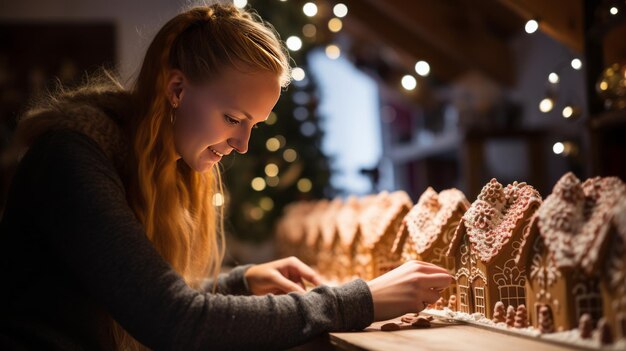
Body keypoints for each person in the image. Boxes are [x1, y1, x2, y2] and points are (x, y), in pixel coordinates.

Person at [0, 3, 452, 350]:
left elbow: (124, 295)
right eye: (234, 117)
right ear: (176, 89)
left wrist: (242, 281)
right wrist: (359, 301)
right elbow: (173, 321)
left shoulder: (146, 157)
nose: (242, 145)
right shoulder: (73, 157)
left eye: (253, 125)